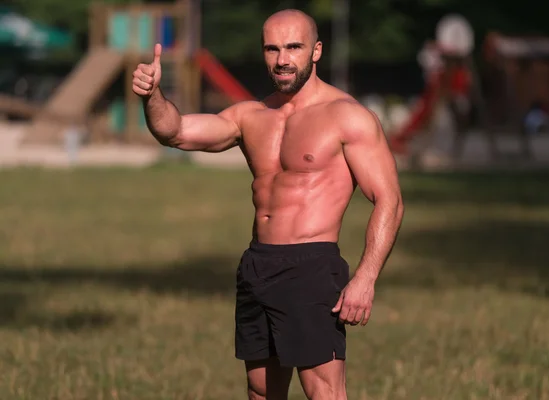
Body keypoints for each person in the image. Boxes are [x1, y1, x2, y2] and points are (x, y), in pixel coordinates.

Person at [133, 9, 404, 400]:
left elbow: (389, 201)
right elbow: (174, 132)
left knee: (324, 393)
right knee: (260, 392)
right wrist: (153, 95)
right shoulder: (250, 115)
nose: (282, 59)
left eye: (294, 47)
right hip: (258, 265)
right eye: (272, 49)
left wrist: (366, 278)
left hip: (312, 266)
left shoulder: (348, 117)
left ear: (316, 51)